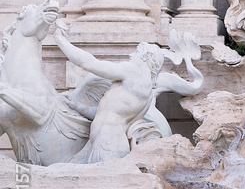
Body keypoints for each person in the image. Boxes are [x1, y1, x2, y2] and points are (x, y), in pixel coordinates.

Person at [52, 30, 165, 163]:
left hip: (108, 143)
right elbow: (108, 111)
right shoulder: (146, 90)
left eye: (136, 52)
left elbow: (89, 63)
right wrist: (78, 107)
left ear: (145, 57)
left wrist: (60, 40)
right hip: (104, 142)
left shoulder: (134, 71)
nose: (131, 55)